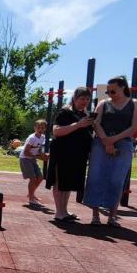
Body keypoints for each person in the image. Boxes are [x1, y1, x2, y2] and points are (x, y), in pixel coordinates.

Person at [83, 76, 137, 226]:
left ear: (123, 87)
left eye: (113, 91)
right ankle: (95, 215)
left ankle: (112, 215)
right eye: (108, 91)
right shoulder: (103, 103)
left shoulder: (134, 104)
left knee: (117, 179)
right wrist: (105, 140)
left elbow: (134, 126)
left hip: (123, 143)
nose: (110, 94)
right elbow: (95, 122)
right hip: (101, 142)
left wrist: (113, 139)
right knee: (96, 177)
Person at [46, 88, 94, 222]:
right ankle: (59, 212)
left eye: (87, 99)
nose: (85, 102)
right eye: (82, 98)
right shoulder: (65, 112)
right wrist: (78, 124)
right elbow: (56, 131)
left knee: (68, 183)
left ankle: (64, 211)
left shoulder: (85, 114)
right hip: (62, 152)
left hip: (77, 154)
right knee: (59, 182)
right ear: (75, 98)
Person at [19, 119, 48, 206]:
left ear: (45, 129)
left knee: (40, 177)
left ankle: (31, 193)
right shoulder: (32, 138)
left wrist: (43, 155)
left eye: (42, 128)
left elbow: (38, 149)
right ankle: (31, 198)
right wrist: (39, 158)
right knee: (33, 178)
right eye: (38, 127)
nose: (40, 129)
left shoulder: (43, 137)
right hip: (25, 159)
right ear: (34, 128)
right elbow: (26, 152)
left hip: (32, 159)